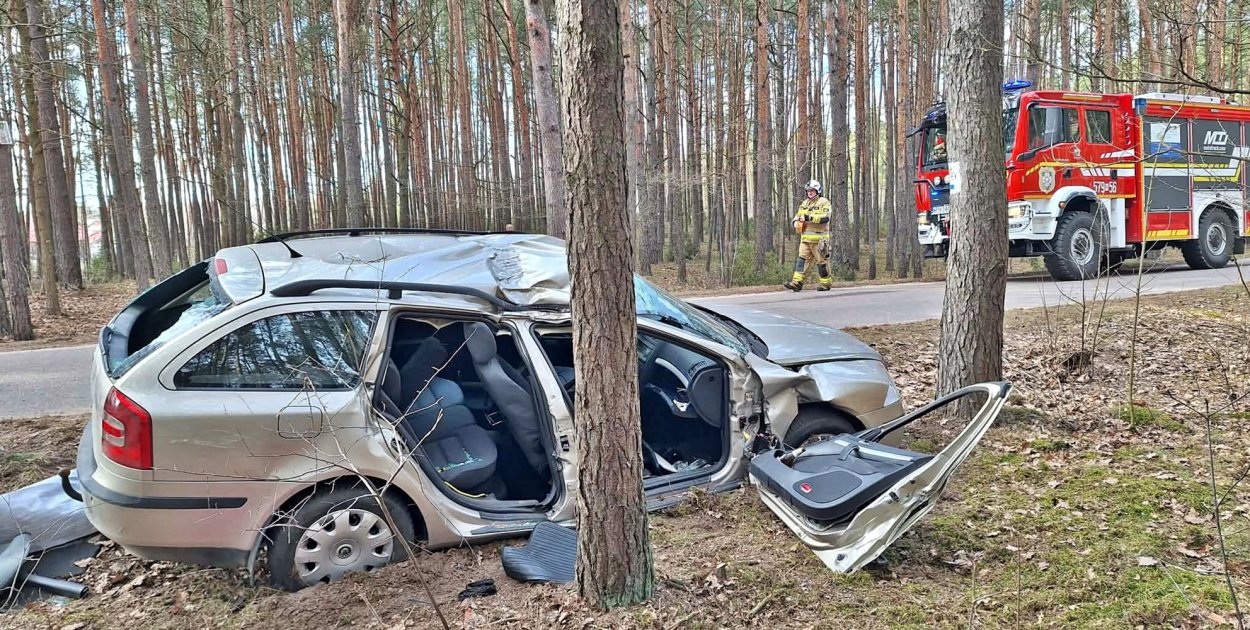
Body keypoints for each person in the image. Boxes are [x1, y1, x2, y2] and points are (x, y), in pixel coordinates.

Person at [784, 180, 832, 292]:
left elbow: (825, 218)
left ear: (818, 191)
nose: (810, 193)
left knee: (822, 264)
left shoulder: (824, 202)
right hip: (805, 240)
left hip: (820, 241)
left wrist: (809, 218)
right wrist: (795, 223)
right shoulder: (804, 204)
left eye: (812, 191)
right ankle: (796, 283)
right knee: (801, 261)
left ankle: (826, 284)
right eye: (808, 191)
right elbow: (797, 217)